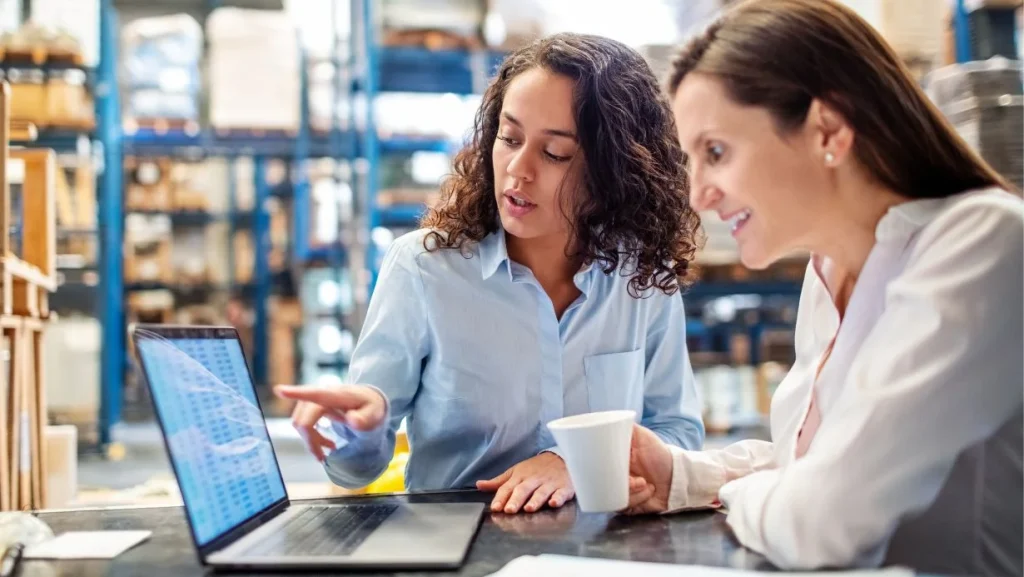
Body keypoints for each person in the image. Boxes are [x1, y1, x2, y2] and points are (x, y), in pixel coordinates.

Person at [624, 1, 1023, 575]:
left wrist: (738, 496)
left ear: (828, 130)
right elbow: (816, 464)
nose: (699, 195)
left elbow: (821, 522)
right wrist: (683, 475)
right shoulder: (828, 270)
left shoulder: (981, 243)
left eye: (715, 152)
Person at [277, 32, 706, 515]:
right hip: (460, 543)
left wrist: (573, 461)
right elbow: (355, 471)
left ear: (614, 171)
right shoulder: (423, 269)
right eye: (510, 137)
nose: (518, 170)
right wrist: (362, 429)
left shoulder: (643, 278)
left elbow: (679, 434)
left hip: (604, 544)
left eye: (555, 153)